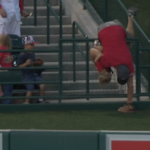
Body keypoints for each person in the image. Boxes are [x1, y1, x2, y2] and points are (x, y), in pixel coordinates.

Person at [90, 7, 137, 113]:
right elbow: (130, 85)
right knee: (129, 39)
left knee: (129, 41)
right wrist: (98, 58)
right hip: (101, 29)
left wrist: (101, 53)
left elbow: (129, 85)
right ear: (116, 72)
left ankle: (130, 16)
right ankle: (130, 16)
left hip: (115, 26)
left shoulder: (128, 63)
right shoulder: (108, 61)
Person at [17, 35, 45, 104]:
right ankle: (26, 102)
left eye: (33, 44)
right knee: (30, 89)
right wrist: (26, 63)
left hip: (34, 74)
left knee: (42, 85)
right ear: (25, 45)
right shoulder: (22, 55)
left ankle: (40, 100)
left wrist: (38, 63)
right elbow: (19, 66)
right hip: (26, 76)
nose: (33, 46)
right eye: (31, 44)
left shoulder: (32, 53)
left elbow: (32, 64)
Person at [0, 34, 14, 104]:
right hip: (8, 71)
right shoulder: (7, 49)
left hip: (5, 71)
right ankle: (7, 103)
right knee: (8, 89)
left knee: (7, 89)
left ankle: (6, 104)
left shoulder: (2, 48)